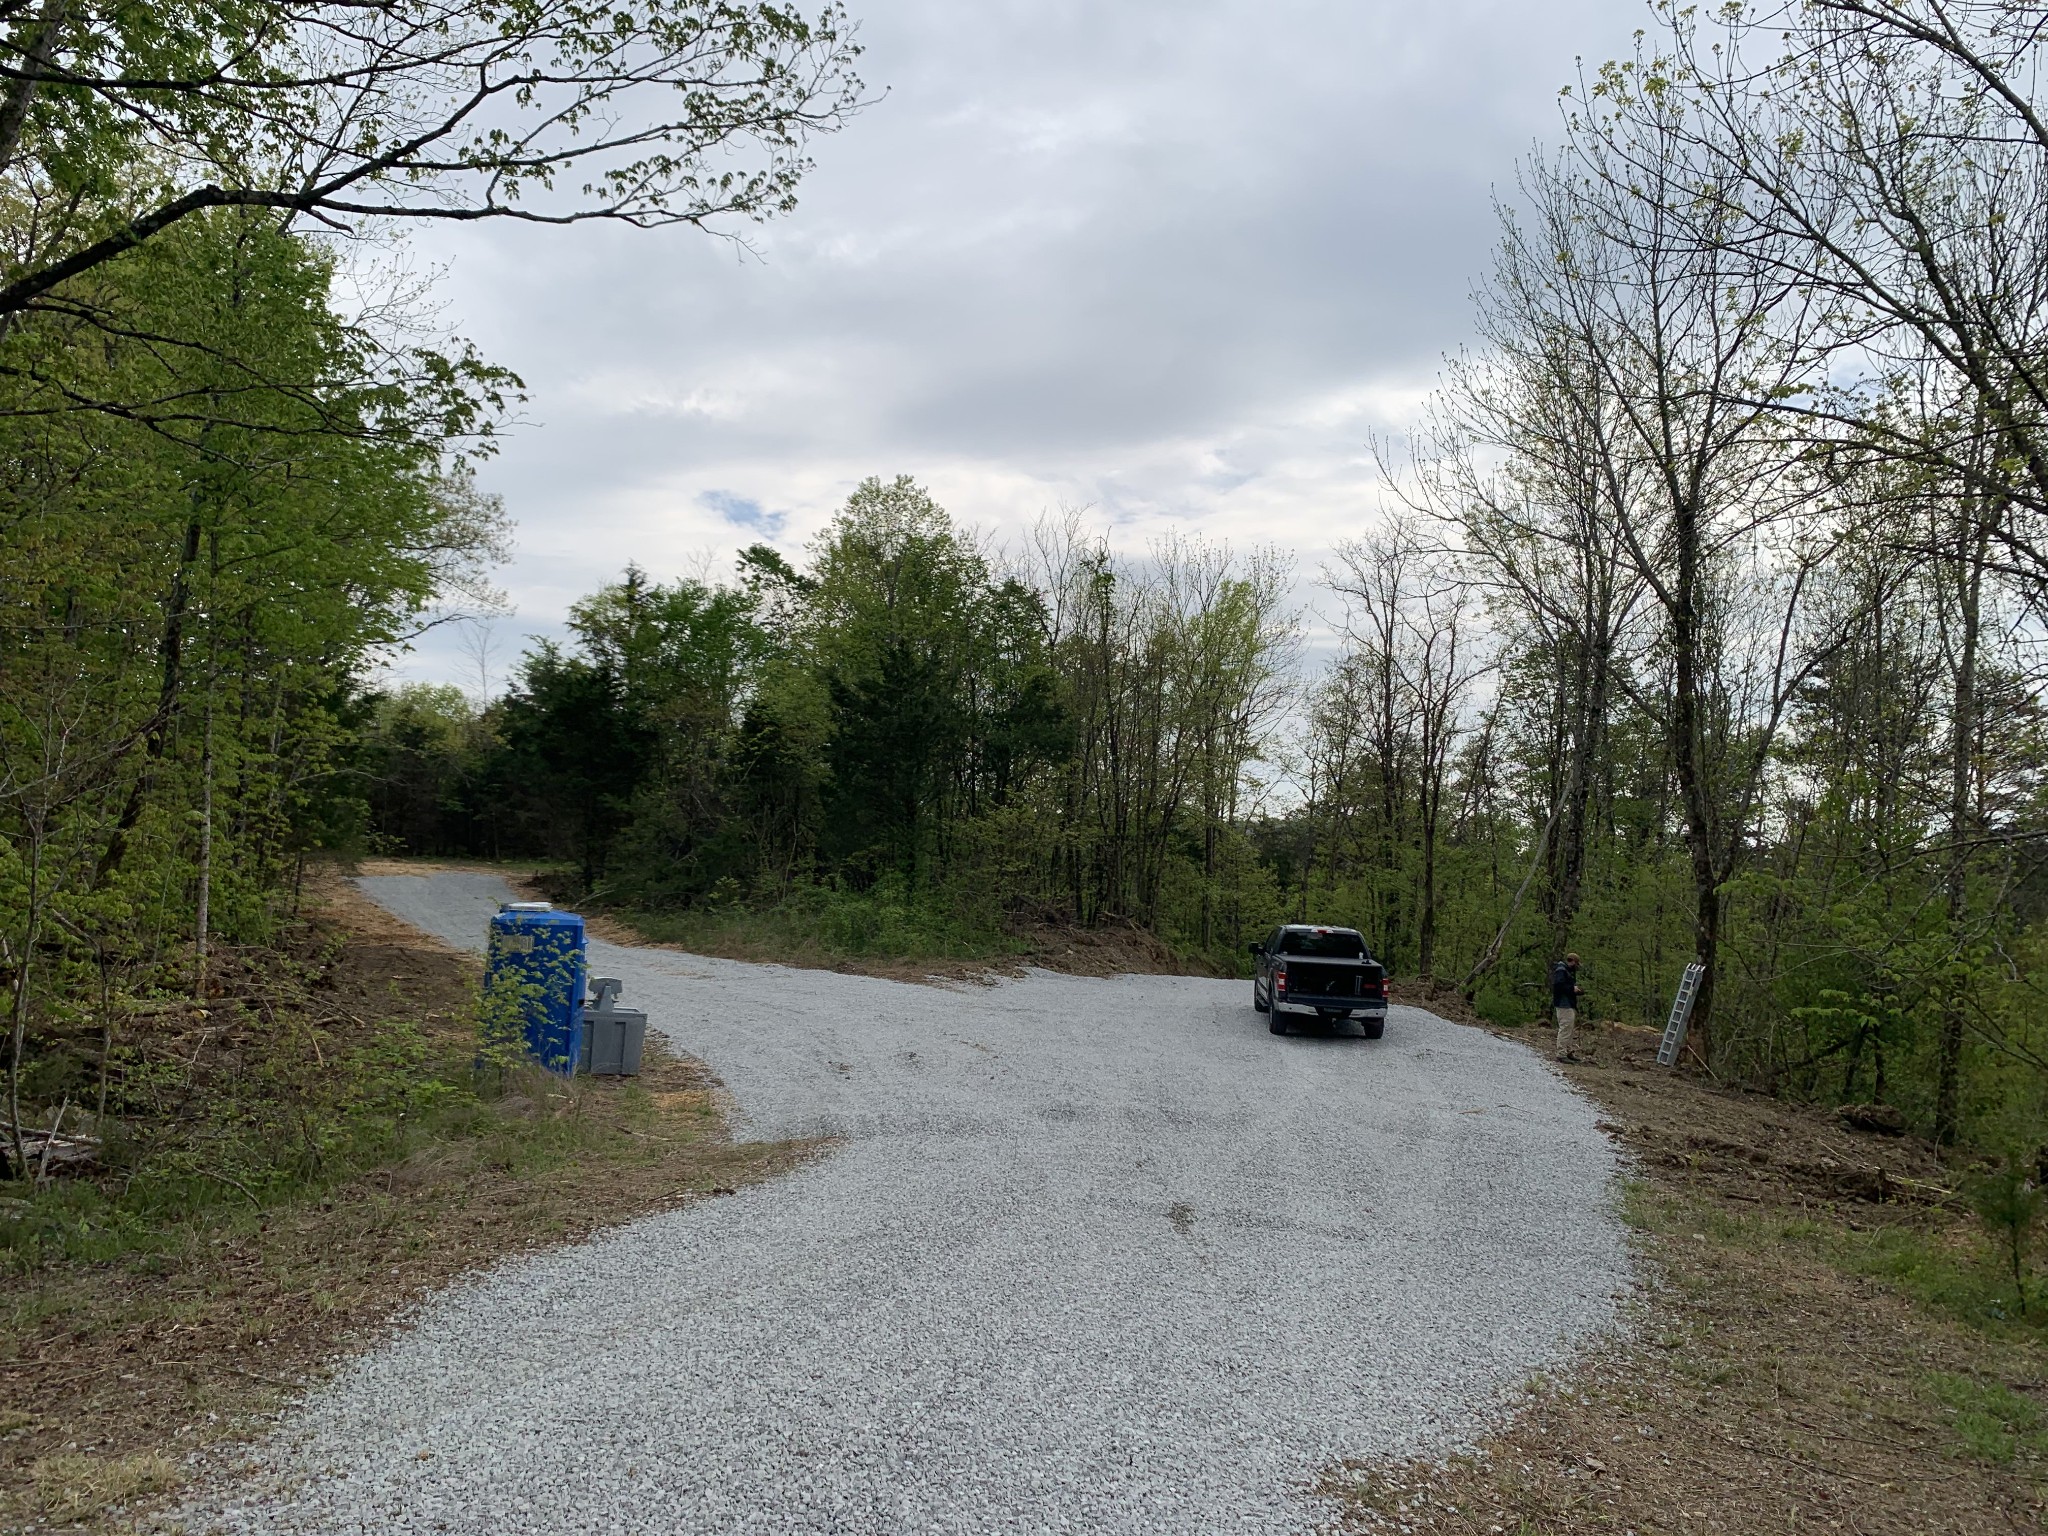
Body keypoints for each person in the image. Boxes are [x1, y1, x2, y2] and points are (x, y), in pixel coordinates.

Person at [1551, 952, 1583, 1061]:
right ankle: (1561, 1053)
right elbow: (1558, 986)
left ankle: (1568, 1051)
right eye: (1576, 964)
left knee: (1569, 1028)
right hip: (1563, 1004)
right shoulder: (1561, 971)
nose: (1576, 967)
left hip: (1568, 1003)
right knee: (1565, 1028)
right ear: (1573, 961)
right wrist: (1572, 989)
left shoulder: (1565, 971)